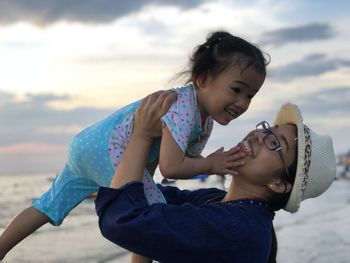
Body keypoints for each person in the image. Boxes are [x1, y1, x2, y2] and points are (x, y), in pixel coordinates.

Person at [0, 31, 268, 261]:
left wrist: (210, 164)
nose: (243, 103)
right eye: (236, 90)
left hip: (86, 145)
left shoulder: (203, 120)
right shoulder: (183, 107)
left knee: (46, 206)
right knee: (148, 216)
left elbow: (181, 161)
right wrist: (211, 164)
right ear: (202, 79)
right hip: (109, 150)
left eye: (250, 96)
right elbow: (172, 167)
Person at [95, 91, 336, 263]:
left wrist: (142, 136)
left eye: (274, 143)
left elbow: (122, 221)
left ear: (280, 184)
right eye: (266, 129)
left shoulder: (236, 229)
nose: (258, 136)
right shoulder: (222, 202)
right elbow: (155, 198)